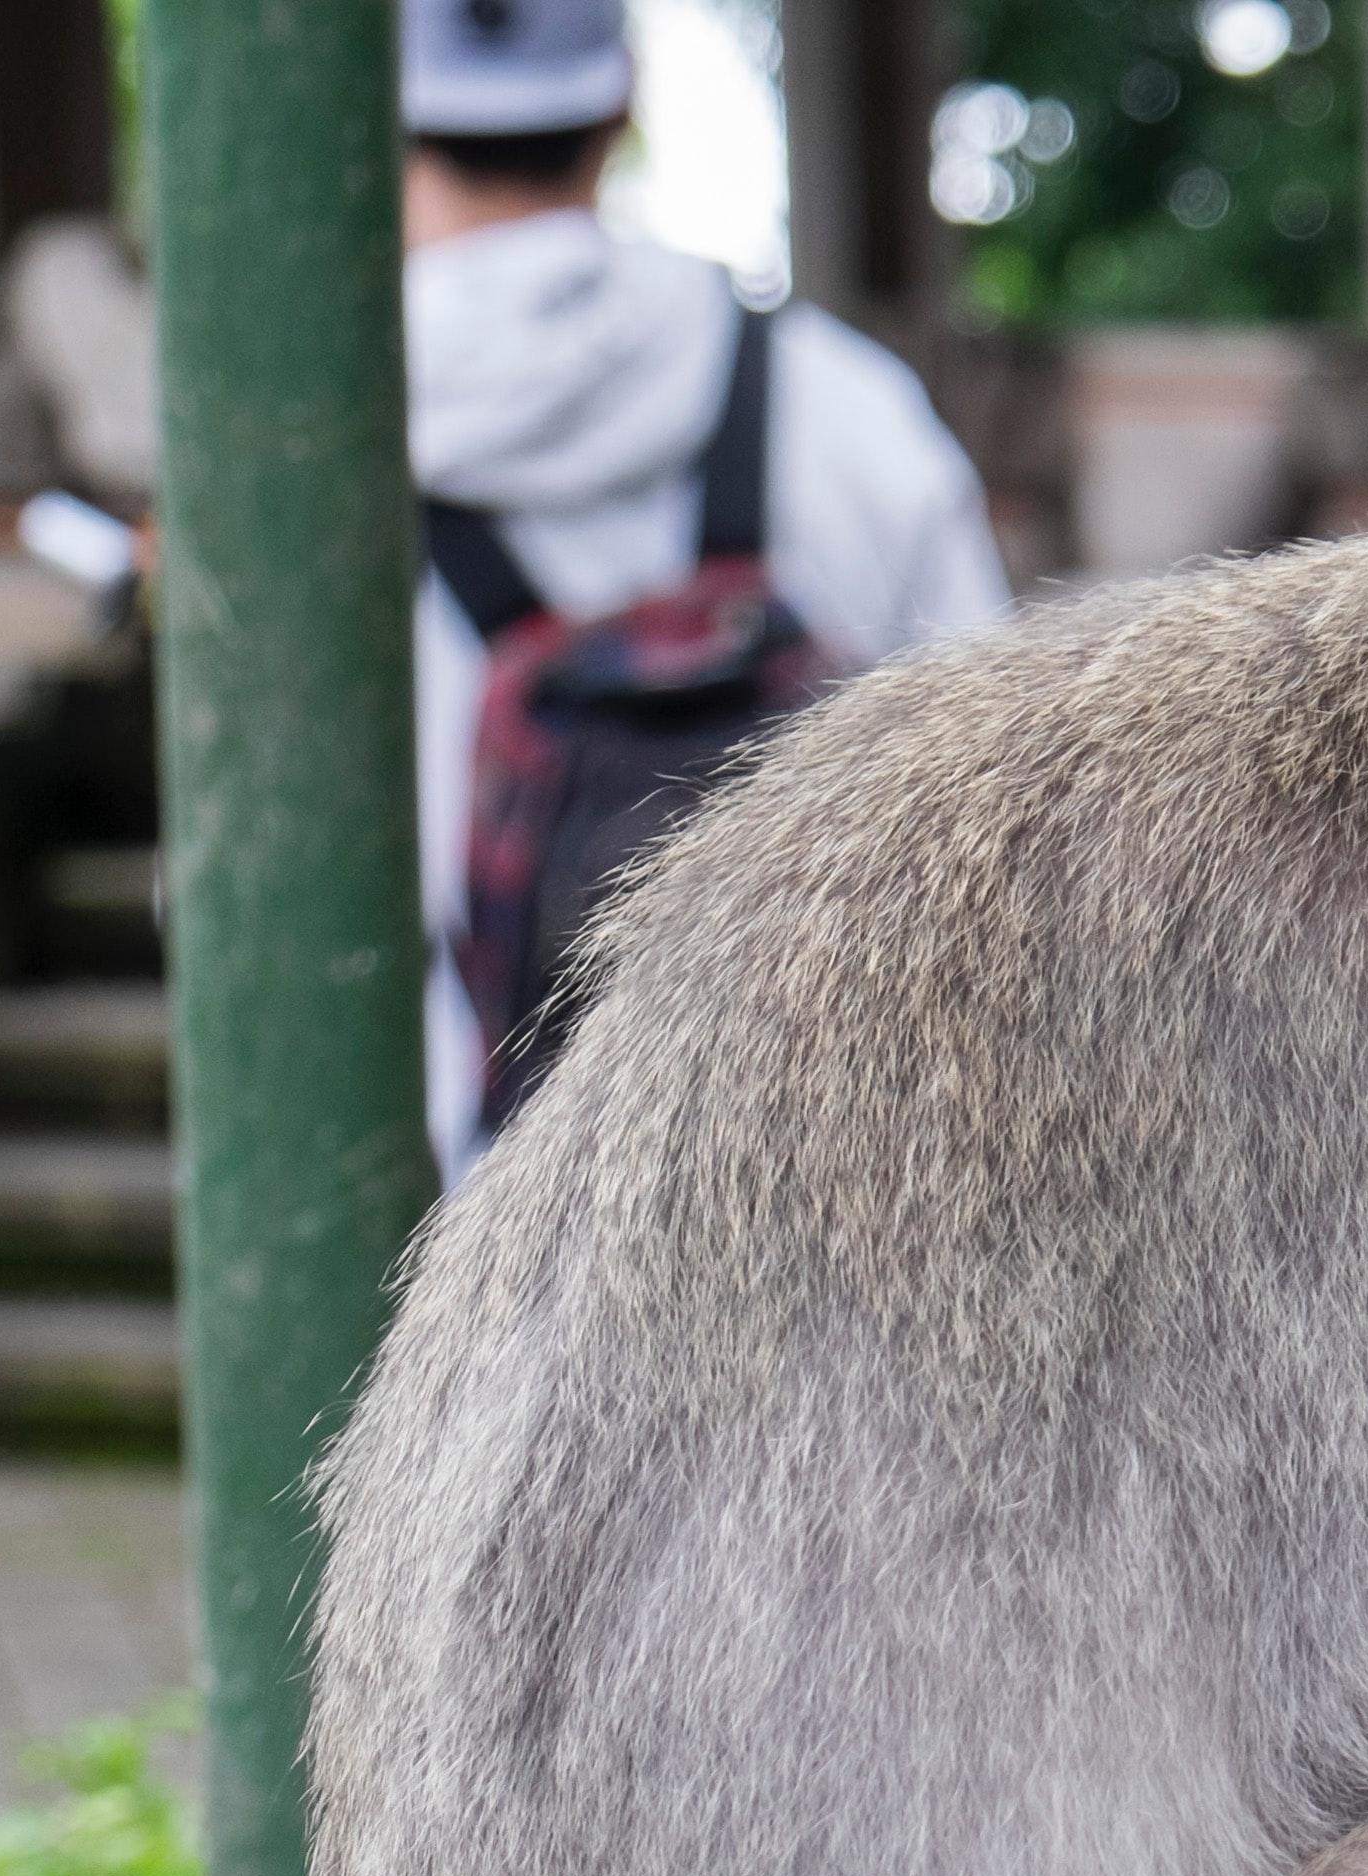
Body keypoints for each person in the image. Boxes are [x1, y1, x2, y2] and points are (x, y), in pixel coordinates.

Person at [400, 0, 1010, 1175]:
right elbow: (996, 837)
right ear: (621, 104)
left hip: (451, 1232)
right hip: (815, 1199)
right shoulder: (848, 404)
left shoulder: (299, 469)